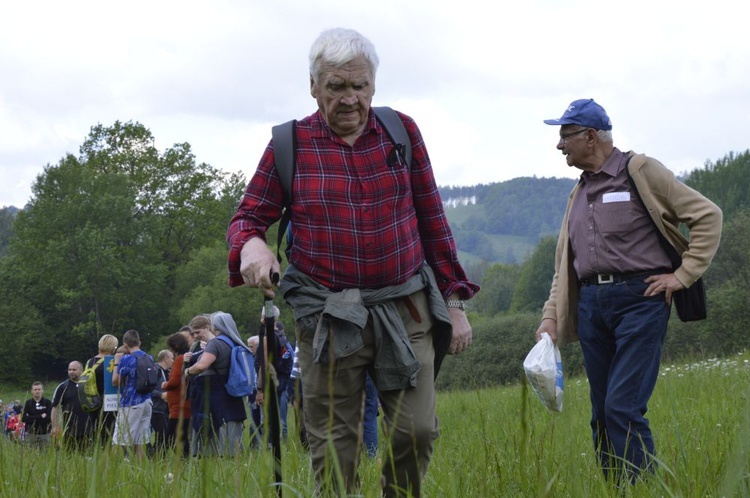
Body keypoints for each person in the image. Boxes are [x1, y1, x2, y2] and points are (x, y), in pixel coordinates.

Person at [227, 28, 478, 497]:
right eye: (336, 86)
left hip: (406, 310)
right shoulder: (291, 143)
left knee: (416, 431)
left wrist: (454, 299)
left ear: (373, 86)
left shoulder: (401, 132)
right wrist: (252, 246)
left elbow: (432, 218)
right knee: (334, 446)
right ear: (313, 85)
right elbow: (248, 217)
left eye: (358, 86)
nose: (348, 99)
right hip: (325, 317)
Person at [535, 98, 722, 482]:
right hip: (590, 306)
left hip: (641, 300)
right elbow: (564, 266)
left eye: (565, 136)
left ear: (590, 136)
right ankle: (617, 489)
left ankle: (642, 488)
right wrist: (550, 317)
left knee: (623, 406)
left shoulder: (640, 170)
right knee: (602, 411)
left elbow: (708, 216)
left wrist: (682, 276)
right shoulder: (578, 192)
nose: (559, 145)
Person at [184, 312, 248, 457]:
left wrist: (187, 371)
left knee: (212, 435)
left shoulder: (215, 343)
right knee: (230, 434)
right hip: (229, 395)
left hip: (214, 397)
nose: (195, 336)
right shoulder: (230, 342)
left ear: (211, 326)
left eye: (197, 332)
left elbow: (202, 366)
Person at [112, 330, 154, 459]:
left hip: (131, 402)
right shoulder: (149, 357)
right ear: (139, 342)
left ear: (125, 345)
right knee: (141, 439)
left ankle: (114, 468)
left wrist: (116, 363)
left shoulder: (127, 359)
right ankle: (140, 470)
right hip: (147, 401)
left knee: (120, 439)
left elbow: (115, 381)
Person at [255, 306, 293, 440]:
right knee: (275, 417)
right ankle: (276, 445)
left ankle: (270, 448)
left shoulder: (267, 338)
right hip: (280, 383)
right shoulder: (281, 338)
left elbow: (264, 365)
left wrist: (260, 389)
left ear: (263, 318)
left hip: (268, 385)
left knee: (267, 420)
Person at [51, 361, 92, 451]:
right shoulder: (62, 387)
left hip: (89, 429)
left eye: (74, 369)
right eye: (69, 370)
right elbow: (54, 407)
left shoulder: (89, 385)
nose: (71, 372)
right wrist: (55, 426)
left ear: (81, 370)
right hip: (70, 431)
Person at [86, 333, 119, 446]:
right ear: (113, 347)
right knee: (109, 434)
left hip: (92, 402)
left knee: (96, 432)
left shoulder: (90, 362)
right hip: (108, 403)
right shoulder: (111, 361)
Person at [163, 332, 192, 458]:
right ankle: (185, 460)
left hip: (178, 405)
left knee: (170, 435)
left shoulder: (180, 359)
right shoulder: (185, 358)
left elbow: (174, 381)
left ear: (175, 346)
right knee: (182, 435)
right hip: (183, 404)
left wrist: (164, 385)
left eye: (171, 347)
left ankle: (161, 458)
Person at [149, 349, 173, 456]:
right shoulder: (156, 370)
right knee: (162, 435)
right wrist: (161, 395)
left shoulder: (167, 372)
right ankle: (156, 457)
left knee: (164, 435)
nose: (173, 360)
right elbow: (148, 388)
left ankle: (156, 455)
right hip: (156, 408)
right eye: (172, 358)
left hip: (164, 409)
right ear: (166, 358)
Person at [22, 381, 53, 449]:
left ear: (42, 390)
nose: (37, 391)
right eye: (35, 389)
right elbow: (24, 419)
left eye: (39, 389)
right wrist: (40, 416)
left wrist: (31, 418)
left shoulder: (48, 402)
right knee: (30, 455)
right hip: (31, 434)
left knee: (45, 455)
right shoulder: (28, 403)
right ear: (32, 391)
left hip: (45, 433)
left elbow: (48, 418)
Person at [246, 334, 263, 448]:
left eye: (251, 346)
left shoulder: (261, 359)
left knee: (262, 419)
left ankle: (264, 444)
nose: (249, 349)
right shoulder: (249, 358)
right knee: (253, 420)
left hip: (260, 392)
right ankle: (253, 445)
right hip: (252, 393)